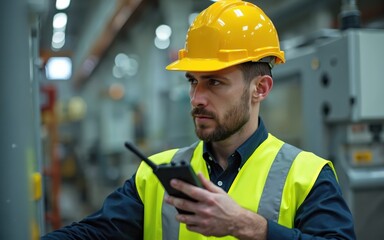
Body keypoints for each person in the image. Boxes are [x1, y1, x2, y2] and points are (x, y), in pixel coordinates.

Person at [42, 0, 356, 239]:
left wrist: (249, 226)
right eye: (193, 81)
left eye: (214, 82)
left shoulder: (307, 177)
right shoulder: (155, 175)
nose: (196, 98)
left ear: (260, 88)